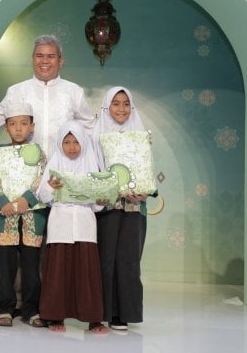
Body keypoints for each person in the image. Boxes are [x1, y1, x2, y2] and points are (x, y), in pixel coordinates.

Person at [36, 120, 108, 334]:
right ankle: (55, 316)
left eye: (76, 141)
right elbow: (42, 196)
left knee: (87, 273)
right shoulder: (54, 164)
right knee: (59, 272)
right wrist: (50, 186)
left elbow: (96, 204)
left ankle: (93, 319)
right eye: (66, 142)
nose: (72, 146)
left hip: (85, 225)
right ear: (60, 144)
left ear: (83, 143)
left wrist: (101, 201)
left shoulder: (91, 164)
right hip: (60, 223)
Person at [92, 86, 152, 331]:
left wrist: (144, 191)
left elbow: (146, 171)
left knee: (128, 260)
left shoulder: (140, 135)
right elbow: (93, 169)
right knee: (105, 260)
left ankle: (122, 314)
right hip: (107, 206)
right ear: (107, 107)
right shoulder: (96, 136)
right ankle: (101, 312)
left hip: (133, 207)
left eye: (126, 104)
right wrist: (106, 190)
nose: (121, 109)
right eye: (116, 104)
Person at [0, 102, 48, 328]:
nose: (18, 129)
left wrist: (27, 199)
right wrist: (1, 201)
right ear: (6, 127)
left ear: (32, 126)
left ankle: (32, 309)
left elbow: (42, 177)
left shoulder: (40, 153)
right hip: (4, 217)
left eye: (24, 124)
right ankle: (5, 308)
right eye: (13, 124)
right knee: (6, 266)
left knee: (32, 266)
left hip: (32, 217)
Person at [0, 34, 95, 159]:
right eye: (39, 56)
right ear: (32, 59)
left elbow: (91, 129)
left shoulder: (74, 91)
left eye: (51, 56)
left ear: (60, 61)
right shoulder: (16, 91)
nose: (44, 61)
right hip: (27, 167)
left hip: (63, 169)